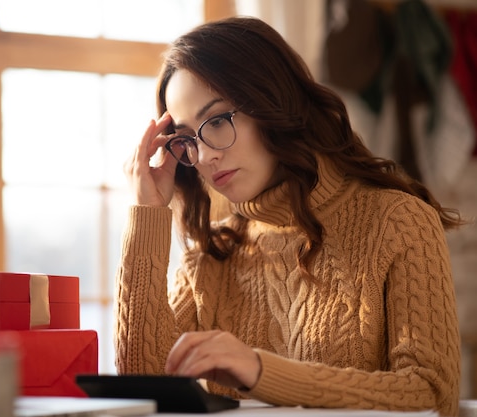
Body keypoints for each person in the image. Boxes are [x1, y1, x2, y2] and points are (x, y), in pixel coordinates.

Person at [114, 16, 464, 417]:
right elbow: (140, 389)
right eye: (187, 138)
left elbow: (432, 395)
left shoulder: (398, 222)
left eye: (216, 121)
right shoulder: (210, 254)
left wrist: (262, 371)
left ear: (271, 102)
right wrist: (145, 214)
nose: (205, 155)